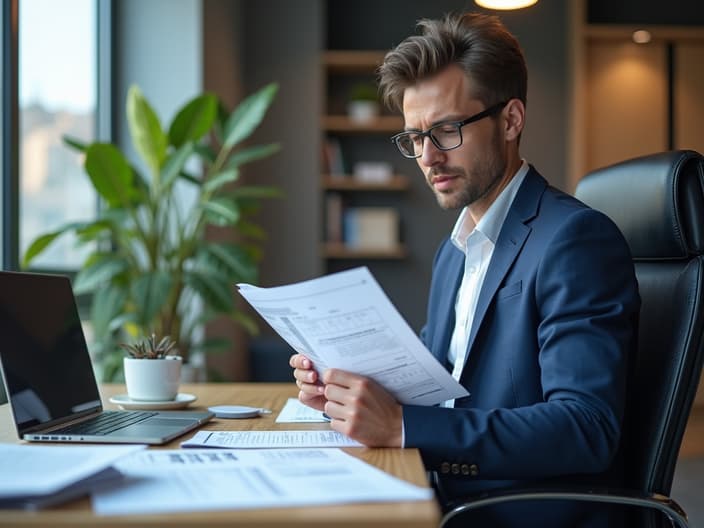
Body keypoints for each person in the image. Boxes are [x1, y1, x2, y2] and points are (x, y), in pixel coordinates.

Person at [290, 12, 639, 527]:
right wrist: (348, 390)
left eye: (446, 130)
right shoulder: (455, 249)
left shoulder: (574, 240)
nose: (427, 157)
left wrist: (404, 428)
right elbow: (434, 386)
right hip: (445, 493)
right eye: (414, 138)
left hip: (513, 512)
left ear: (511, 120)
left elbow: (584, 427)